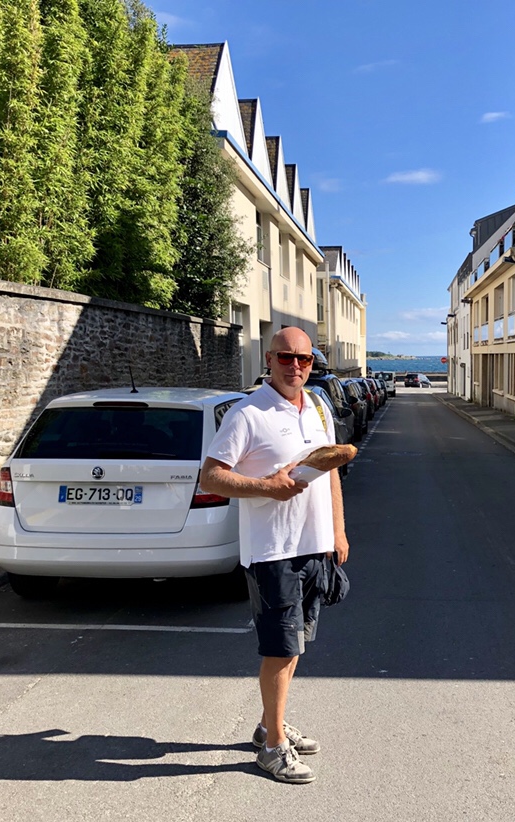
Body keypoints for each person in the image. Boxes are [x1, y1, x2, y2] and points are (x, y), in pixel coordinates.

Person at [199, 326, 349, 784]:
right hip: (273, 551)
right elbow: (211, 476)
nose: (295, 366)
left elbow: (330, 470)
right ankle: (271, 748)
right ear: (269, 359)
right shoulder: (247, 413)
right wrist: (266, 487)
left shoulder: (317, 406)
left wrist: (338, 531)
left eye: (304, 359)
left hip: (313, 546)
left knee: (296, 644)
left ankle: (271, 724)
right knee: (281, 650)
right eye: (286, 357)